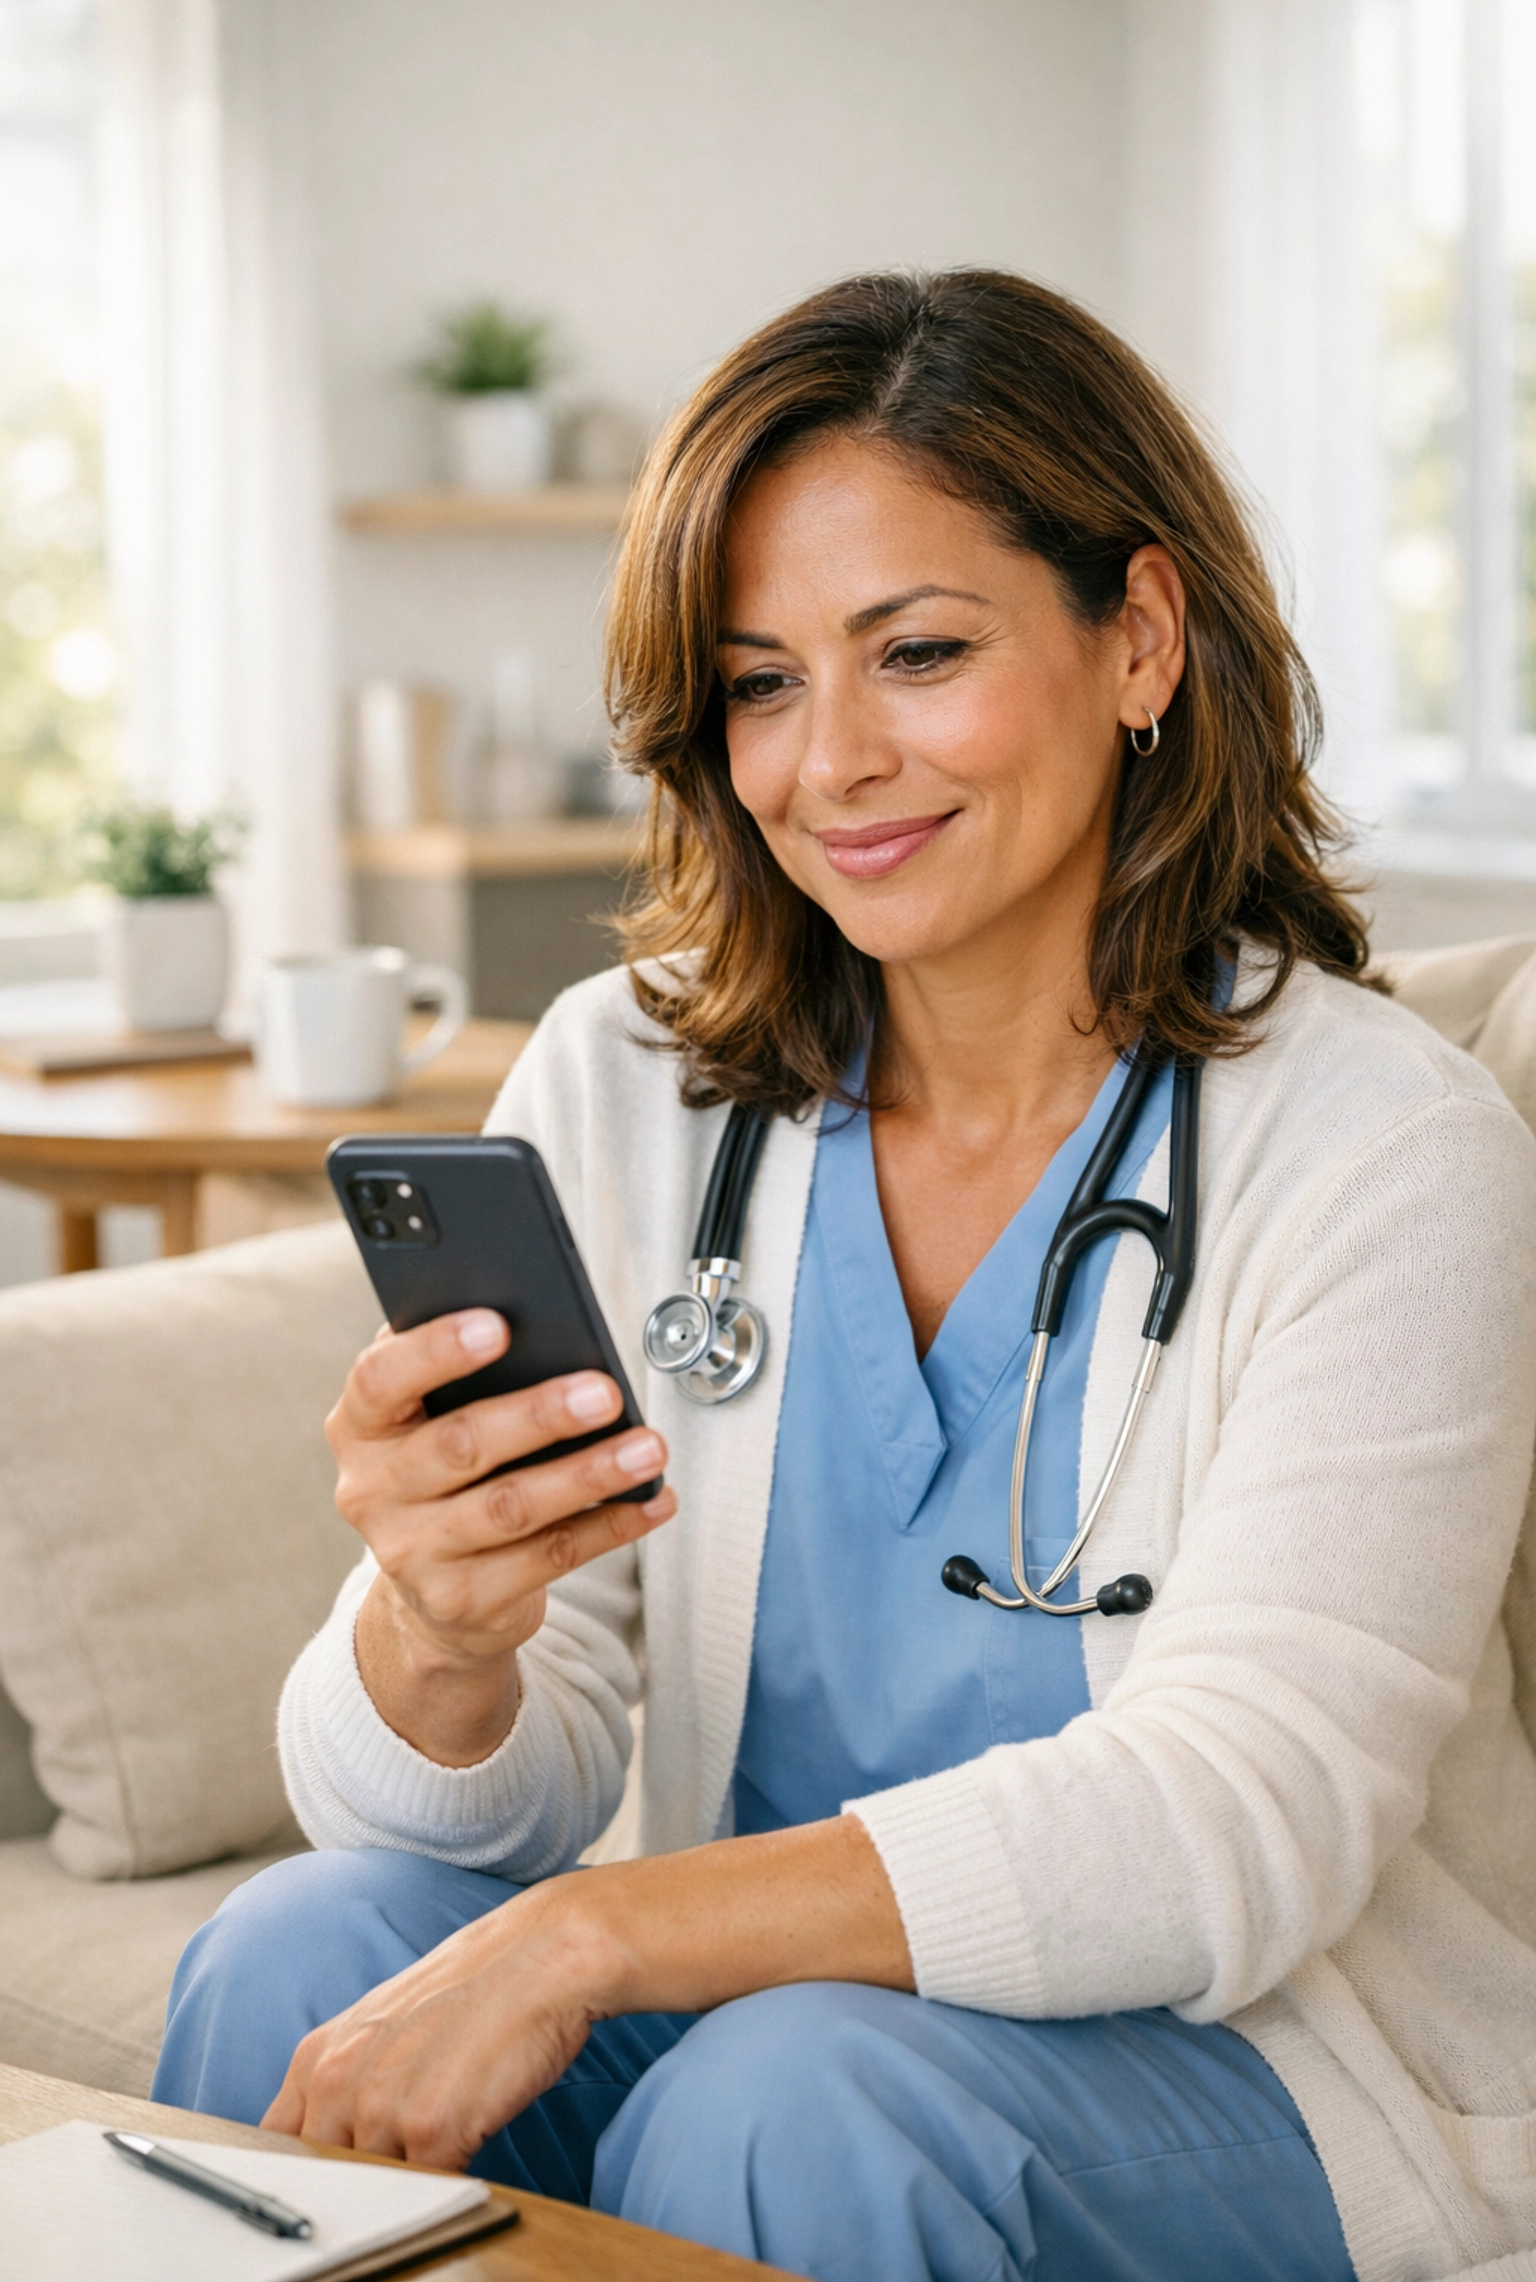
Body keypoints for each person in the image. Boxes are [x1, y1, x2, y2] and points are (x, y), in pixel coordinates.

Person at [154, 271, 1536, 2282]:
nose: (833, 762)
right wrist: (440, 1636)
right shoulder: (626, 1085)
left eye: (920, 652)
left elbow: (1236, 1819)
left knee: (793, 2098)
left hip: (1256, 2064)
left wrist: (596, 1932)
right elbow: (475, 1803)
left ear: (1140, 637)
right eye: (762, 683)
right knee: (301, 1947)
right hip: (757, 2018)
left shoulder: (1383, 1149)